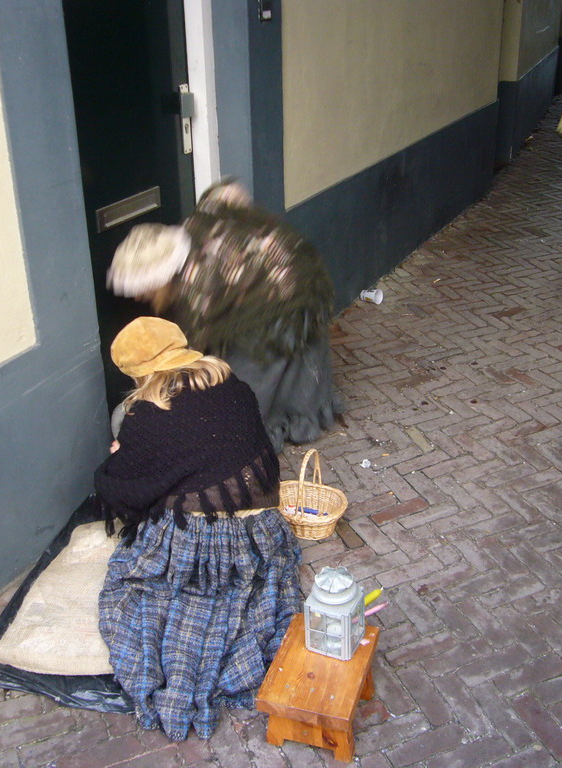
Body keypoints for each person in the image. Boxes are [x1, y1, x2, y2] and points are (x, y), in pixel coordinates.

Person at [94, 316, 301, 741]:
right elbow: (208, 455)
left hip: (201, 542)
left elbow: (131, 485)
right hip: (258, 528)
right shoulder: (234, 387)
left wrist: (120, 455)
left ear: (137, 371)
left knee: (140, 581)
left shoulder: (146, 415)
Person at [108, 180, 342, 453]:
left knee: (258, 371)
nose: (139, 299)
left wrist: (172, 391)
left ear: (161, 279)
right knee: (266, 365)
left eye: (144, 292)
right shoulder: (186, 239)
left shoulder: (198, 287)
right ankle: (292, 415)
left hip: (287, 293)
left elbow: (195, 352)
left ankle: (264, 427)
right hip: (274, 277)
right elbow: (222, 197)